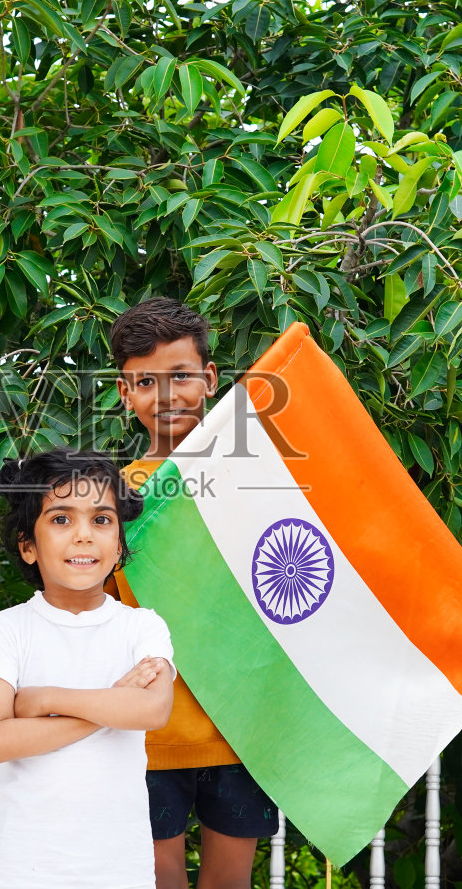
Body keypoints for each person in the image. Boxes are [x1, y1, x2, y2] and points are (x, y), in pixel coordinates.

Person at [104, 297, 279, 889]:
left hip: (240, 731)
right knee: (158, 880)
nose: (167, 395)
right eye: (146, 382)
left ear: (208, 380)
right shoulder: (112, 500)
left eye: (181, 376)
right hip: (147, 736)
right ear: (125, 395)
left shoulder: (251, 483)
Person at [0, 448, 176, 889]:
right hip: (24, 868)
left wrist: (46, 699)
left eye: (101, 520)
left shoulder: (142, 626)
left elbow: (152, 711)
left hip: (121, 869)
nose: (84, 535)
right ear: (28, 545)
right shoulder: (9, 629)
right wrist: (111, 706)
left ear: (119, 542)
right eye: (62, 519)